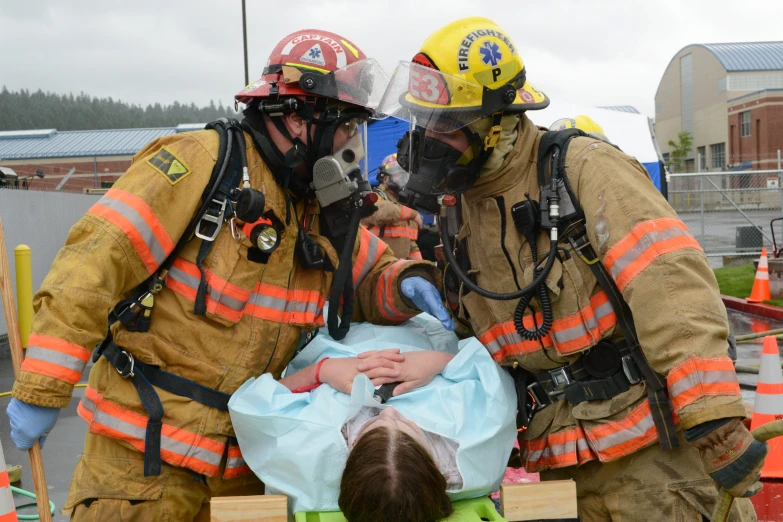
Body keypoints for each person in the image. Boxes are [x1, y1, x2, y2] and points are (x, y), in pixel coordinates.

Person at [5, 29, 453, 521]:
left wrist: (409, 282)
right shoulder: (201, 164)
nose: (351, 147)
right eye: (345, 128)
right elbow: (90, 267)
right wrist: (42, 389)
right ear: (299, 118)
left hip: (245, 470)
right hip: (141, 467)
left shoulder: (315, 206)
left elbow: (367, 275)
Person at [377, 16, 766, 521]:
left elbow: (671, 286)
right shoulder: (461, 209)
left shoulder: (581, 169)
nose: (428, 139)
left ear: (494, 121)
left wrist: (712, 416)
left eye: (445, 125)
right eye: (423, 122)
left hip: (656, 461)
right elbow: (485, 335)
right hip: (558, 468)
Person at [228, 314, 517, 521]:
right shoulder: (475, 448)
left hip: (336, 323)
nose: (389, 411)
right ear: (433, 468)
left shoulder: (307, 451)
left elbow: (253, 404)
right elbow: (493, 378)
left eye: (372, 427)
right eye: (405, 426)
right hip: (422, 326)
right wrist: (438, 363)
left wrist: (322, 371)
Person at [361, 153, 424, 260]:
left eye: (405, 175)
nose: (403, 179)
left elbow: (411, 246)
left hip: (396, 269)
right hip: (376, 268)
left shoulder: (404, 207)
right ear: (385, 178)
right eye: (398, 175)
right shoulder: (374, 198)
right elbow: (381, 211)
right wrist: (413, 214)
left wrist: (420, 268)